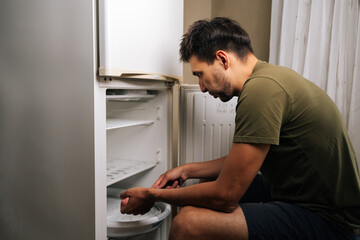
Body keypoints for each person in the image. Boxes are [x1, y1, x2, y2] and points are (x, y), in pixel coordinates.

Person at [120, 17, 360, 240]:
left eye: (200, 75)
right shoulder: (269, 78)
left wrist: (152, 195)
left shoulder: (262, 91)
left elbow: (226, 197)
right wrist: (186, 171)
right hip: (299, 191)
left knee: (187, 223)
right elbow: (242, 159)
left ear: (223, 59)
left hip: (331, 220)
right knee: (198, 194)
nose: (202, 87)